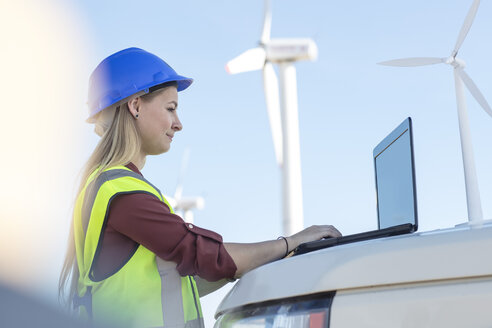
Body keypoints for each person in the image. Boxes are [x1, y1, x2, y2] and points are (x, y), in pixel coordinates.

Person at [59, 47, 342, 328]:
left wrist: (264, 261)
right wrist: (289, 243)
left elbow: (186, 275)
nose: (178, 124)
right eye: (171, 108)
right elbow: (201, 254)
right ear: (135, 106)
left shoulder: (105, 187)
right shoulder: (122, 192)